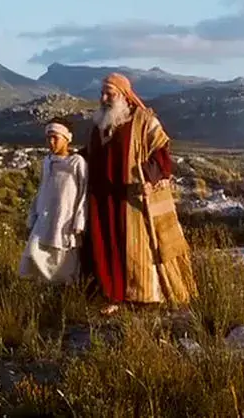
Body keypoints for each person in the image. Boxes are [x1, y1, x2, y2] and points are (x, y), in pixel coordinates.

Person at [85, 72, 197, 315]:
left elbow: (161, 151)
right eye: (102, 94)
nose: (103, 99)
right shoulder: (99, 124)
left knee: (137, 247)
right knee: (107, 245)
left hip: (131, 197)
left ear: (124, 95)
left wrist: (150, 177)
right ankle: (113, 294)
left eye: (109, 94)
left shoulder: (144, 121)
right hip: (104, 197)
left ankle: (143, 295)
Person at [19, 116, 88, 283]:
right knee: (35, 254)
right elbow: (42, 189)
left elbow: (83, 192)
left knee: (63, 262)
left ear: (66, 139)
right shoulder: (47, 162)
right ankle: (42, 286)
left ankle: (64, 289)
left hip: (65, 220)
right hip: (44, 218)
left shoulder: (76, 162)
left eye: (55, 138)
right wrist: (33, 214)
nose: (51, 142)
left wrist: (79, 221)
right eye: (48, 138)